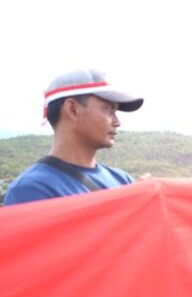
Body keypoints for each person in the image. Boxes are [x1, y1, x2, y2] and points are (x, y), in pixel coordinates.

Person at [3, 69, 143, 206]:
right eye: (108, 109)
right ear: (73, 110)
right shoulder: (32, 191)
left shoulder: (123, 181)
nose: (117, 122)